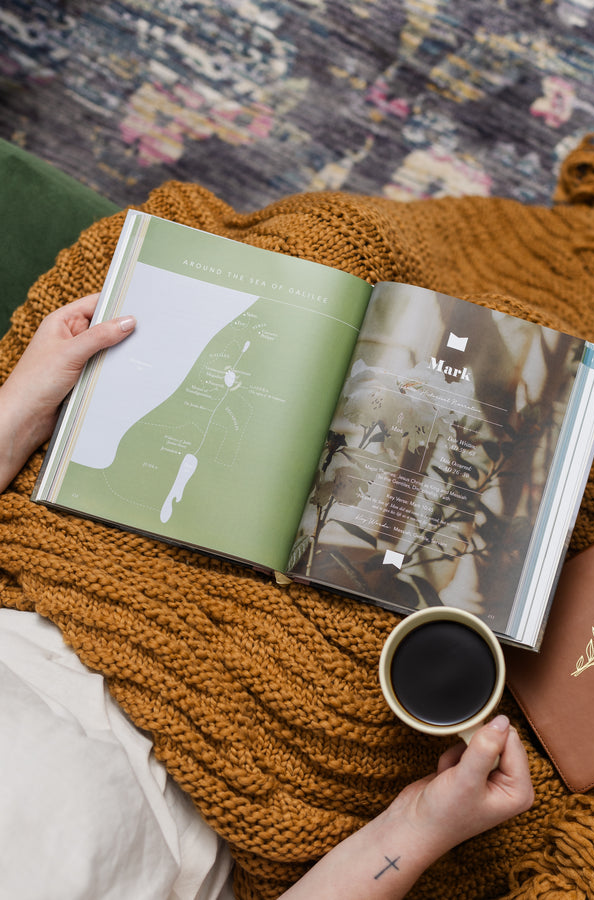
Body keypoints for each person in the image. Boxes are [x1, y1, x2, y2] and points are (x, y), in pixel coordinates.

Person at [0, 293, 534, 900]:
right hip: (257, 748)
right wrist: (421, 825)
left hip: (63, 565)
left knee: (321, 267)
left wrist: (18, 409)